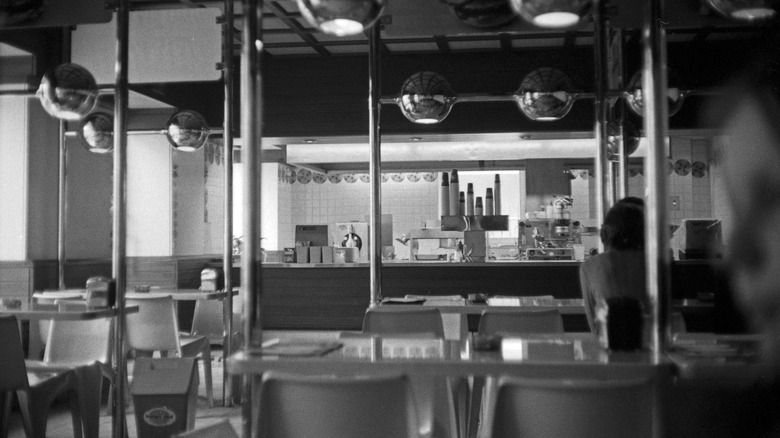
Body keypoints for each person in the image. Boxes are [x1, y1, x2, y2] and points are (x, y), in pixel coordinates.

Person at [579, 200, 648, 332]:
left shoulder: (589, 266)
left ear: (606, 231)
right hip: (651, 340)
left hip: (608, 339)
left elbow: (593, 323)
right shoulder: (654, 263)